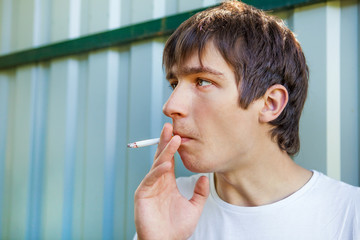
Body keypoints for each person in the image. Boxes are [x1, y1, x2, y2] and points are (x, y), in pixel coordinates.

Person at [133, 1, 360, 239]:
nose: (170, 106)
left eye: (202, 81)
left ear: (271, 103)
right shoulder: (171, 203)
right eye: (174, 84)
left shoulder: (350, 214)